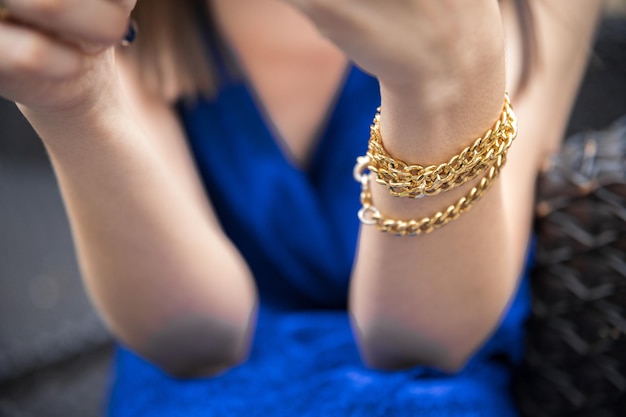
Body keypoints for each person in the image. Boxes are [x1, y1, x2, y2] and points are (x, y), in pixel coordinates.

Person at [0, 0, 603, 415]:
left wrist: (449, 88)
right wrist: (78, 102)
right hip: (196, 386)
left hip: (440, 375)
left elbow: (427, 341)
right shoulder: (144, 14)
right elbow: (194, 338)